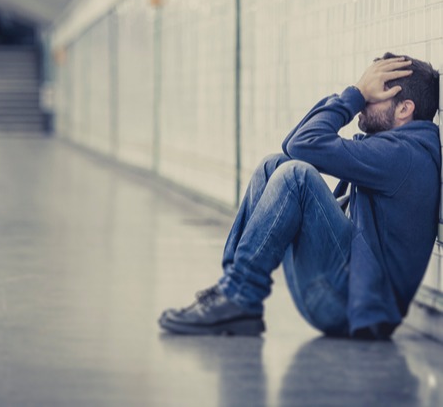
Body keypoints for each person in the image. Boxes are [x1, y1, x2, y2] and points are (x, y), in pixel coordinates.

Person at [158, 53, 441, 340]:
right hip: (349, 295)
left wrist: (354, 95)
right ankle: (233, 292)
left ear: (404, 109)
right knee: (275, 165)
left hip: (356, 310)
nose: (364, 101)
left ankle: (238, 297)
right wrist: (356, 94)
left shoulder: (403, 156)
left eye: (374, 95)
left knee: (296, 176)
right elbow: (293, 144)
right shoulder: (400, 149)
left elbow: (304, 144)